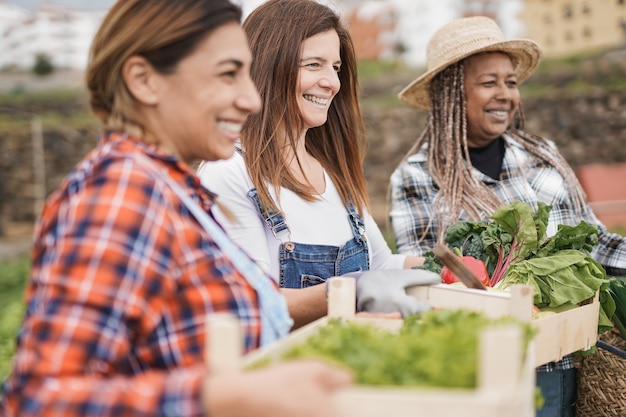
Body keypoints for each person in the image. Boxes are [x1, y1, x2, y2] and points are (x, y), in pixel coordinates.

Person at [0, 0, 355, 416]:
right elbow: (38, 401)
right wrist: (221, 397)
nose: (251, 99)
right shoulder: (123, 194)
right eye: (227, 74)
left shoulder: (174, 191)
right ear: (144, 80)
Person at [389, 15, 626, 417]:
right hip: (481, 364)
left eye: (510, 82)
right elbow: (426, 280)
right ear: (452, 94)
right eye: (488, 83)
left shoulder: (542, 154)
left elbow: (596, 243)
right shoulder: (417, 175)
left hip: (561, 358)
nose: (505, 94)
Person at [198, 0, 433, 330]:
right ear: (267, 66)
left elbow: (380, 265)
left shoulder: (332, 172)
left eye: (335, 68)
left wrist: (449, 265)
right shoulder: (229, 174)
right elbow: (254, 303)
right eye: (314, 65)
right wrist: (349, 292)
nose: (332, 83)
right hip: (286, 373)